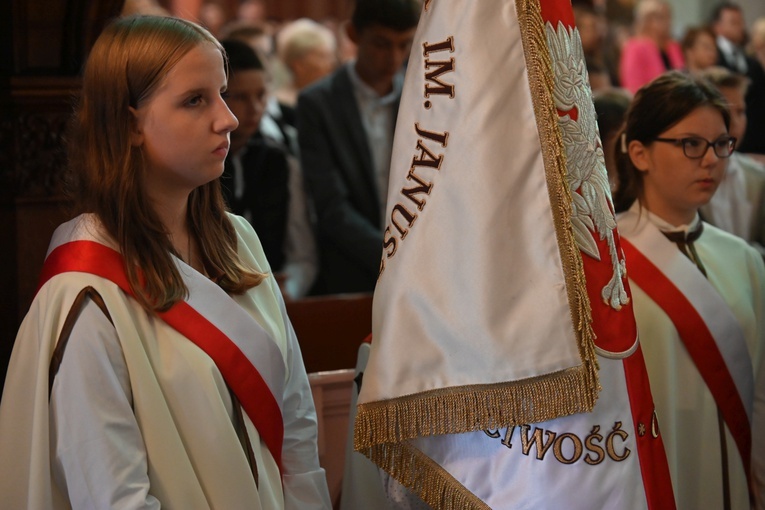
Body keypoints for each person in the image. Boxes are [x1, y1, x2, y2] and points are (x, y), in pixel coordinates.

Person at [0, 15, 332, 509]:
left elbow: (297, 424)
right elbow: (114, 495)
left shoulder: (239, 239)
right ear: (131, 123)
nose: (228, 118)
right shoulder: (87, 290)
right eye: (195, 100)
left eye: (221, 93)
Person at [613, 71, 765, 509]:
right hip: (650, 482)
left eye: (721, 144)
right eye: (690, 144)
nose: (711, 160)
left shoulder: (744, 260)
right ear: (640, 153)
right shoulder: (607, 264)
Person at [296, 0, 420, 294]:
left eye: (404, 45)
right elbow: (330, 205)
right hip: (350, 270)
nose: (394, 57)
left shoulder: (420, 98)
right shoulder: (317, 103)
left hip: (417, 267)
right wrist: (390, 257)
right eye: (381, 44)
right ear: (353, 34)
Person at [220, 38, 318, 300]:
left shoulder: (280, 161)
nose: (255, 109)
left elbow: (303, 255)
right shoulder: (196, 166)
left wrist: (287, 288)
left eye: (261, 95)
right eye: (240, 97)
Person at [697, 67, 765, 257]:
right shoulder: (685, 177)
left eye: (741, 111)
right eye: (725, 111)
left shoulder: (757, 177)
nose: (734, 122)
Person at [619, 0, 684, 93]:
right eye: (661, 17)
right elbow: (632, 86)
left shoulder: (674, 47)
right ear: (646, 21)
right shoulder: (635, 48)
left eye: (668, 16)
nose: (668, 22)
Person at [275, 18, 338, 108]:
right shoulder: (280, 104)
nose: (331, 63)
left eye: (331, 56)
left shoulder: (331, 99)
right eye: (323, 57)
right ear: (298, 65)